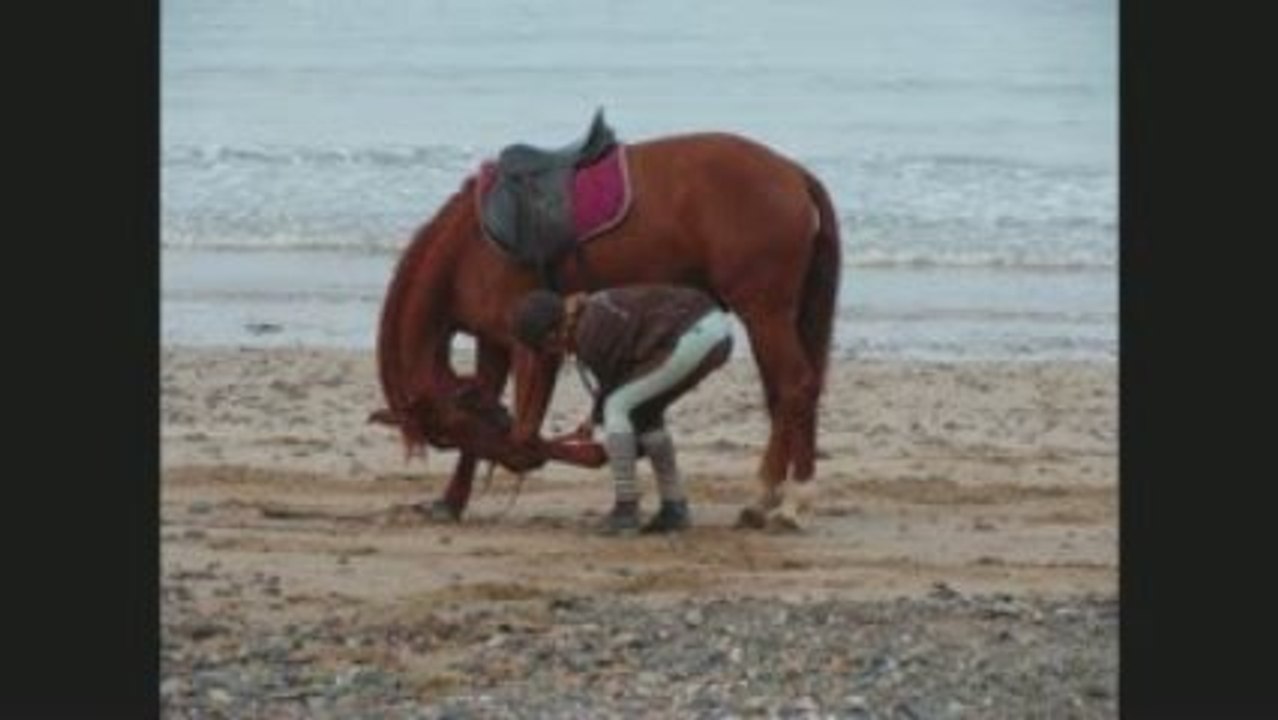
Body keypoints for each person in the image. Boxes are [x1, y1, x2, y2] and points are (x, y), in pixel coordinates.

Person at [511, 284, 734, 535]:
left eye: (548, 348)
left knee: (618, 407)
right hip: (713, 329)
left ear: (552, 335)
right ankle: (674, 506)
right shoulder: (592, 311)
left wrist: (596, 419)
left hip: (692, 336)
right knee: (645, 412)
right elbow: (621, 378)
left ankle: (626, 510)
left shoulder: (587, 334)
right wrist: (592, 420)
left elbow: (613, 387)